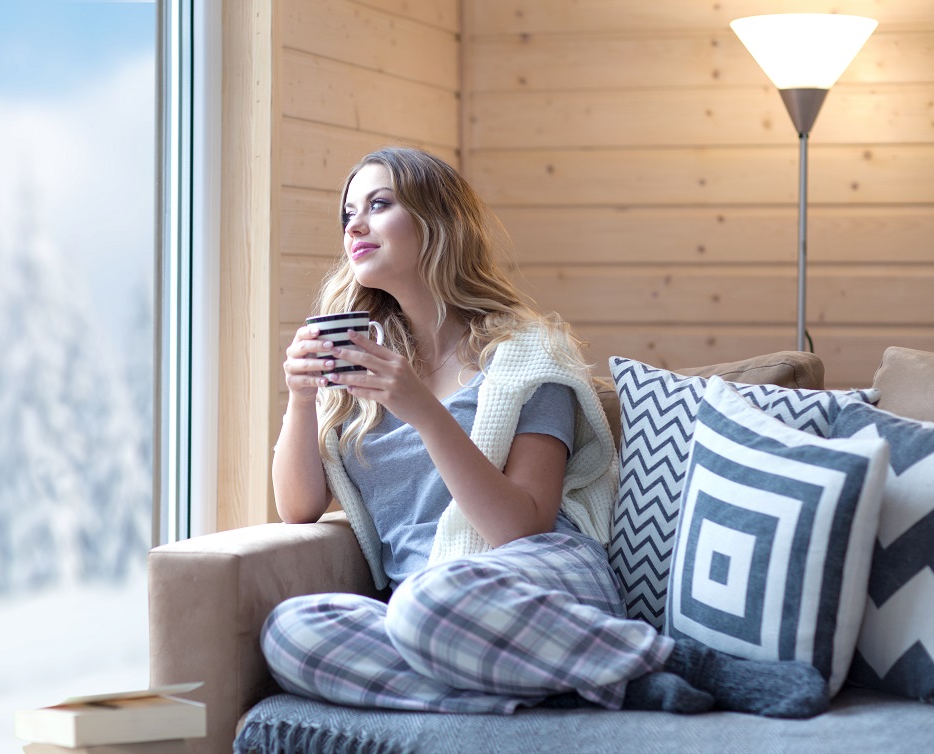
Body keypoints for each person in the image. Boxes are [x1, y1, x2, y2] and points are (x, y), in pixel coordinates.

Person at [264, 146, 828, 718]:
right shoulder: (362, 365)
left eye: (379, 204)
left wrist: (423, 410)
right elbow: (298, 507)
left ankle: (682, 662)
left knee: (427, 603)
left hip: (540, 577)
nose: (354, 224)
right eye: (347, 214)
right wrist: (302, 397)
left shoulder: (526, 355)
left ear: (437, 223)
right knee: (291, 631)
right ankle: (599, 683)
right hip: (435, 609)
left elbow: (520, 526)